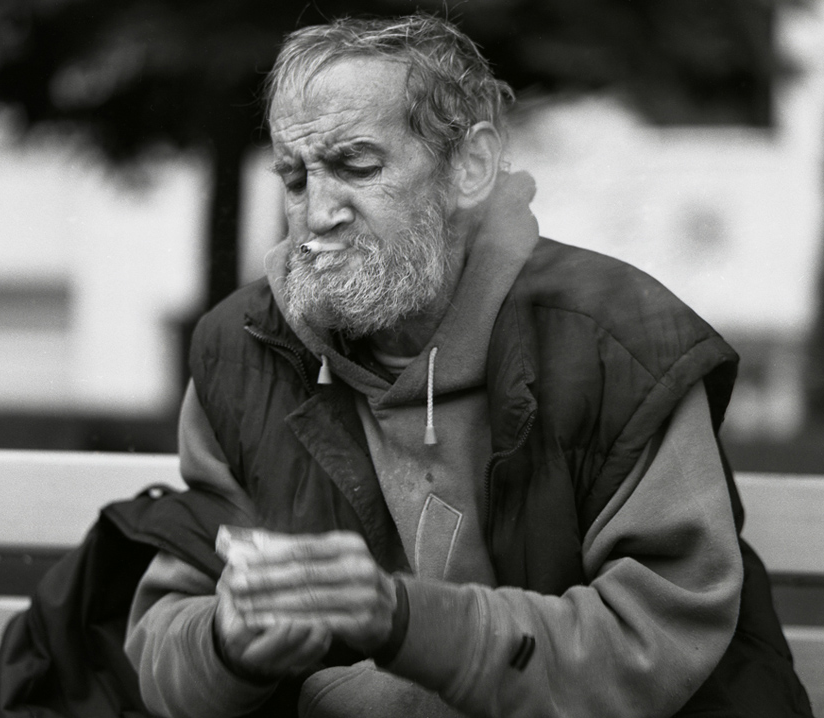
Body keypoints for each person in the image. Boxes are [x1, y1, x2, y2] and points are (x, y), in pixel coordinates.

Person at [122, 14, 812, 718]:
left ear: (469, 167)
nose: (318, 213)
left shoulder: (617, 342)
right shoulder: (244, 350)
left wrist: (408, 624)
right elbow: (163, 648)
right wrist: (227, 643)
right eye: (295, 179)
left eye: (357, 166)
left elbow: (656, 638)